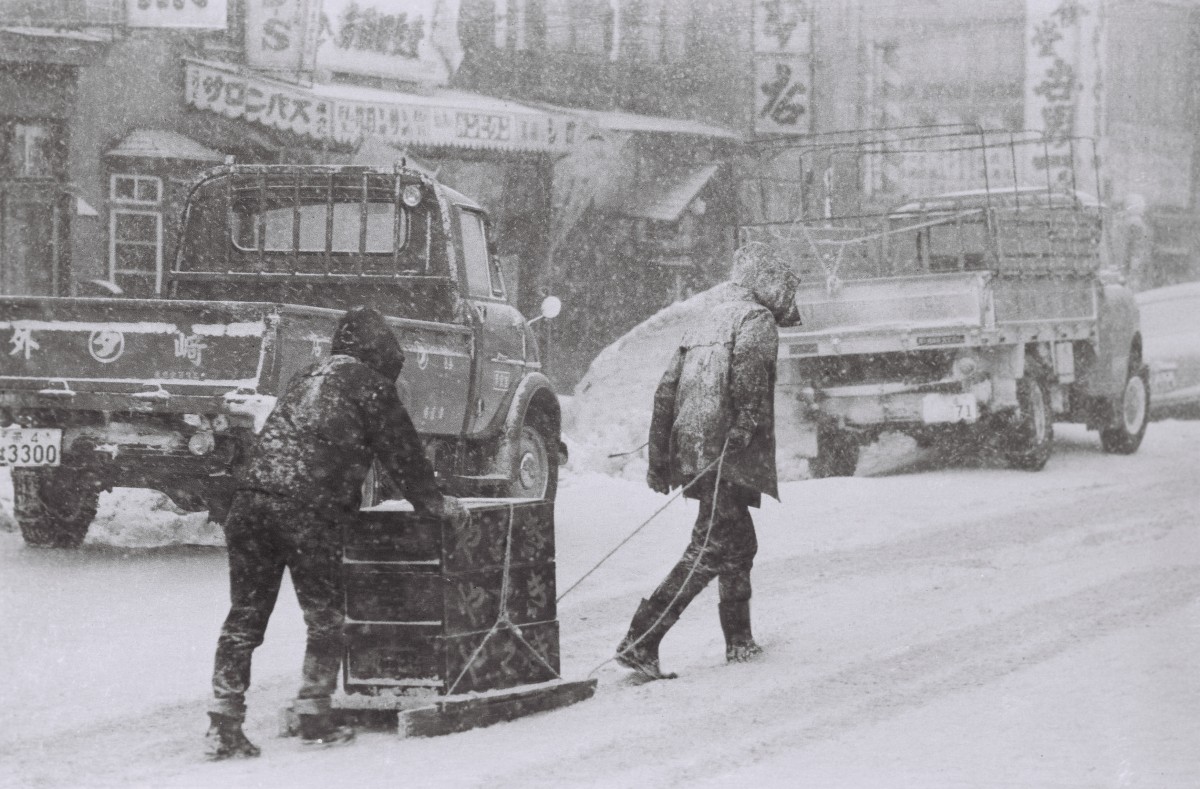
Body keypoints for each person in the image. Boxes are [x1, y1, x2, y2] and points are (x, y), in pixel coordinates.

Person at [205, 305, 465, 759]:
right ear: (380, 353)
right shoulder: (371, 386)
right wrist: (435, 503)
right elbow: (402, 454)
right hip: (307, 508)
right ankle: (314, 713)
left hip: (249, 505)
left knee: (245, 617)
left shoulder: (307, 376)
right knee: (326, 617)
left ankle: (224, 722)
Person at [615, 242, 799, 680]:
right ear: (769, 285)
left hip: (695, 450)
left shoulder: (706, 318)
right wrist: (743, 428)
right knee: (709, 549)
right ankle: (641, 639)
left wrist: (659, 458)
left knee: (738, 545)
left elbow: (666, 390)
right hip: (727, 454)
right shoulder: (755, 320)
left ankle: (739, 641)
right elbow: (749, 380)